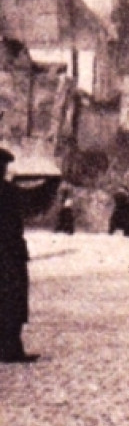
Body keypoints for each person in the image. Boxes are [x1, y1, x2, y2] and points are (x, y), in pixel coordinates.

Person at [1, 149, 47, 363]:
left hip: (10, 252)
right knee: (12, 299)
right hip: (9, 254)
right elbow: (32, 203)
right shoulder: (8, 191)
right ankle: (11, 348)